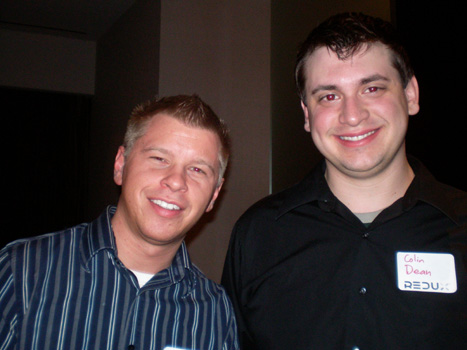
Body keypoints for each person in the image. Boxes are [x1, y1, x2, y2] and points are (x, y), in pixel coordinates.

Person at [221, 12, 467, 350]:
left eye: (372, 88)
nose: (353, 115)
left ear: (410, 95)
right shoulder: (258, 234)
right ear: (307, 115)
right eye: (329, 96)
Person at [0, 95, 239, 350]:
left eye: (197, 170)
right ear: (120, 165)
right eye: (159, 158)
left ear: (213, 195)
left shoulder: (215, 311)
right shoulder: (22, 271)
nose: (176, 181)